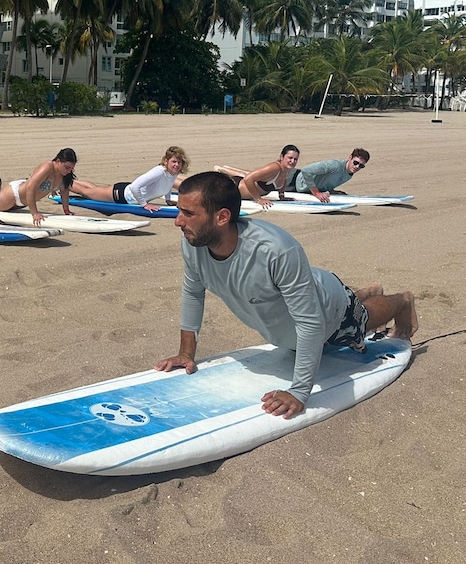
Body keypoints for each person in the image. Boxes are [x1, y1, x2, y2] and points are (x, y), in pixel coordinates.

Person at [155, 171, 418, 419]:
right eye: (179, 211)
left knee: (358, 324)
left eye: (188, 213)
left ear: (222, 217)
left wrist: (299, 391)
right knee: (334, 302)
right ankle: (362, 293)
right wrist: (186, 353)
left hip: (327, 313)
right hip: (305, 294)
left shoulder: (276, 250)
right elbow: (193, 293)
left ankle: (401, 301)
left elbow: (310, 323)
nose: (178, 221)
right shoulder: (194, 242)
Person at [69, 146, 189, 211]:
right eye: (174, 161)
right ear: (166, 161)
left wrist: (168, 200)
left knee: (94, 189)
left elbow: (167, 186)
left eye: (179, 162)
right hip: (121, 195)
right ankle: (63, 182)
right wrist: (145, 205)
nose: (176, 165)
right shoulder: (159, 171)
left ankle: (71, 179)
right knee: (85, 192)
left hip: (126, 193)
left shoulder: (172, 174)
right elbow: (134, 186)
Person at [0, 148, 78, 226]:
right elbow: (30, 188)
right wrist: (34, 213)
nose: (69, 171)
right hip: (13, 195)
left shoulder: (64, 174)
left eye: (71, 169)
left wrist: (66, 210)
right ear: (58, 161)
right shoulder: (48, 167)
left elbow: (64, 191)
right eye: (67, 167)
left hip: (23, 203)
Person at [214, 144, 300, 209]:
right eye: (290, 158)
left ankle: (226, 168)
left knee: (249, 173)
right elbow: (248, 179)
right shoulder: (275, 167)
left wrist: (281, 196)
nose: (292, 161)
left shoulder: (286, 170)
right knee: (248, 175)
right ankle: (222, 170)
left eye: (295, 159)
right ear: (281, 157)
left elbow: (283, 180)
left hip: (240, 189)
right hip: (233, 187)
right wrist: (258, 199)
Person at [287, 149, 371, 202]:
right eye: (355, 163)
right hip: (291, 179)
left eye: (361, 166)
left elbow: (326, 180)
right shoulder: (335, 165)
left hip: (300, 188)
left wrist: (330, 190)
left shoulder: (349, 173)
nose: (357, 167)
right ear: (350, 158)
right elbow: (306, 171)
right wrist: (316, 193)